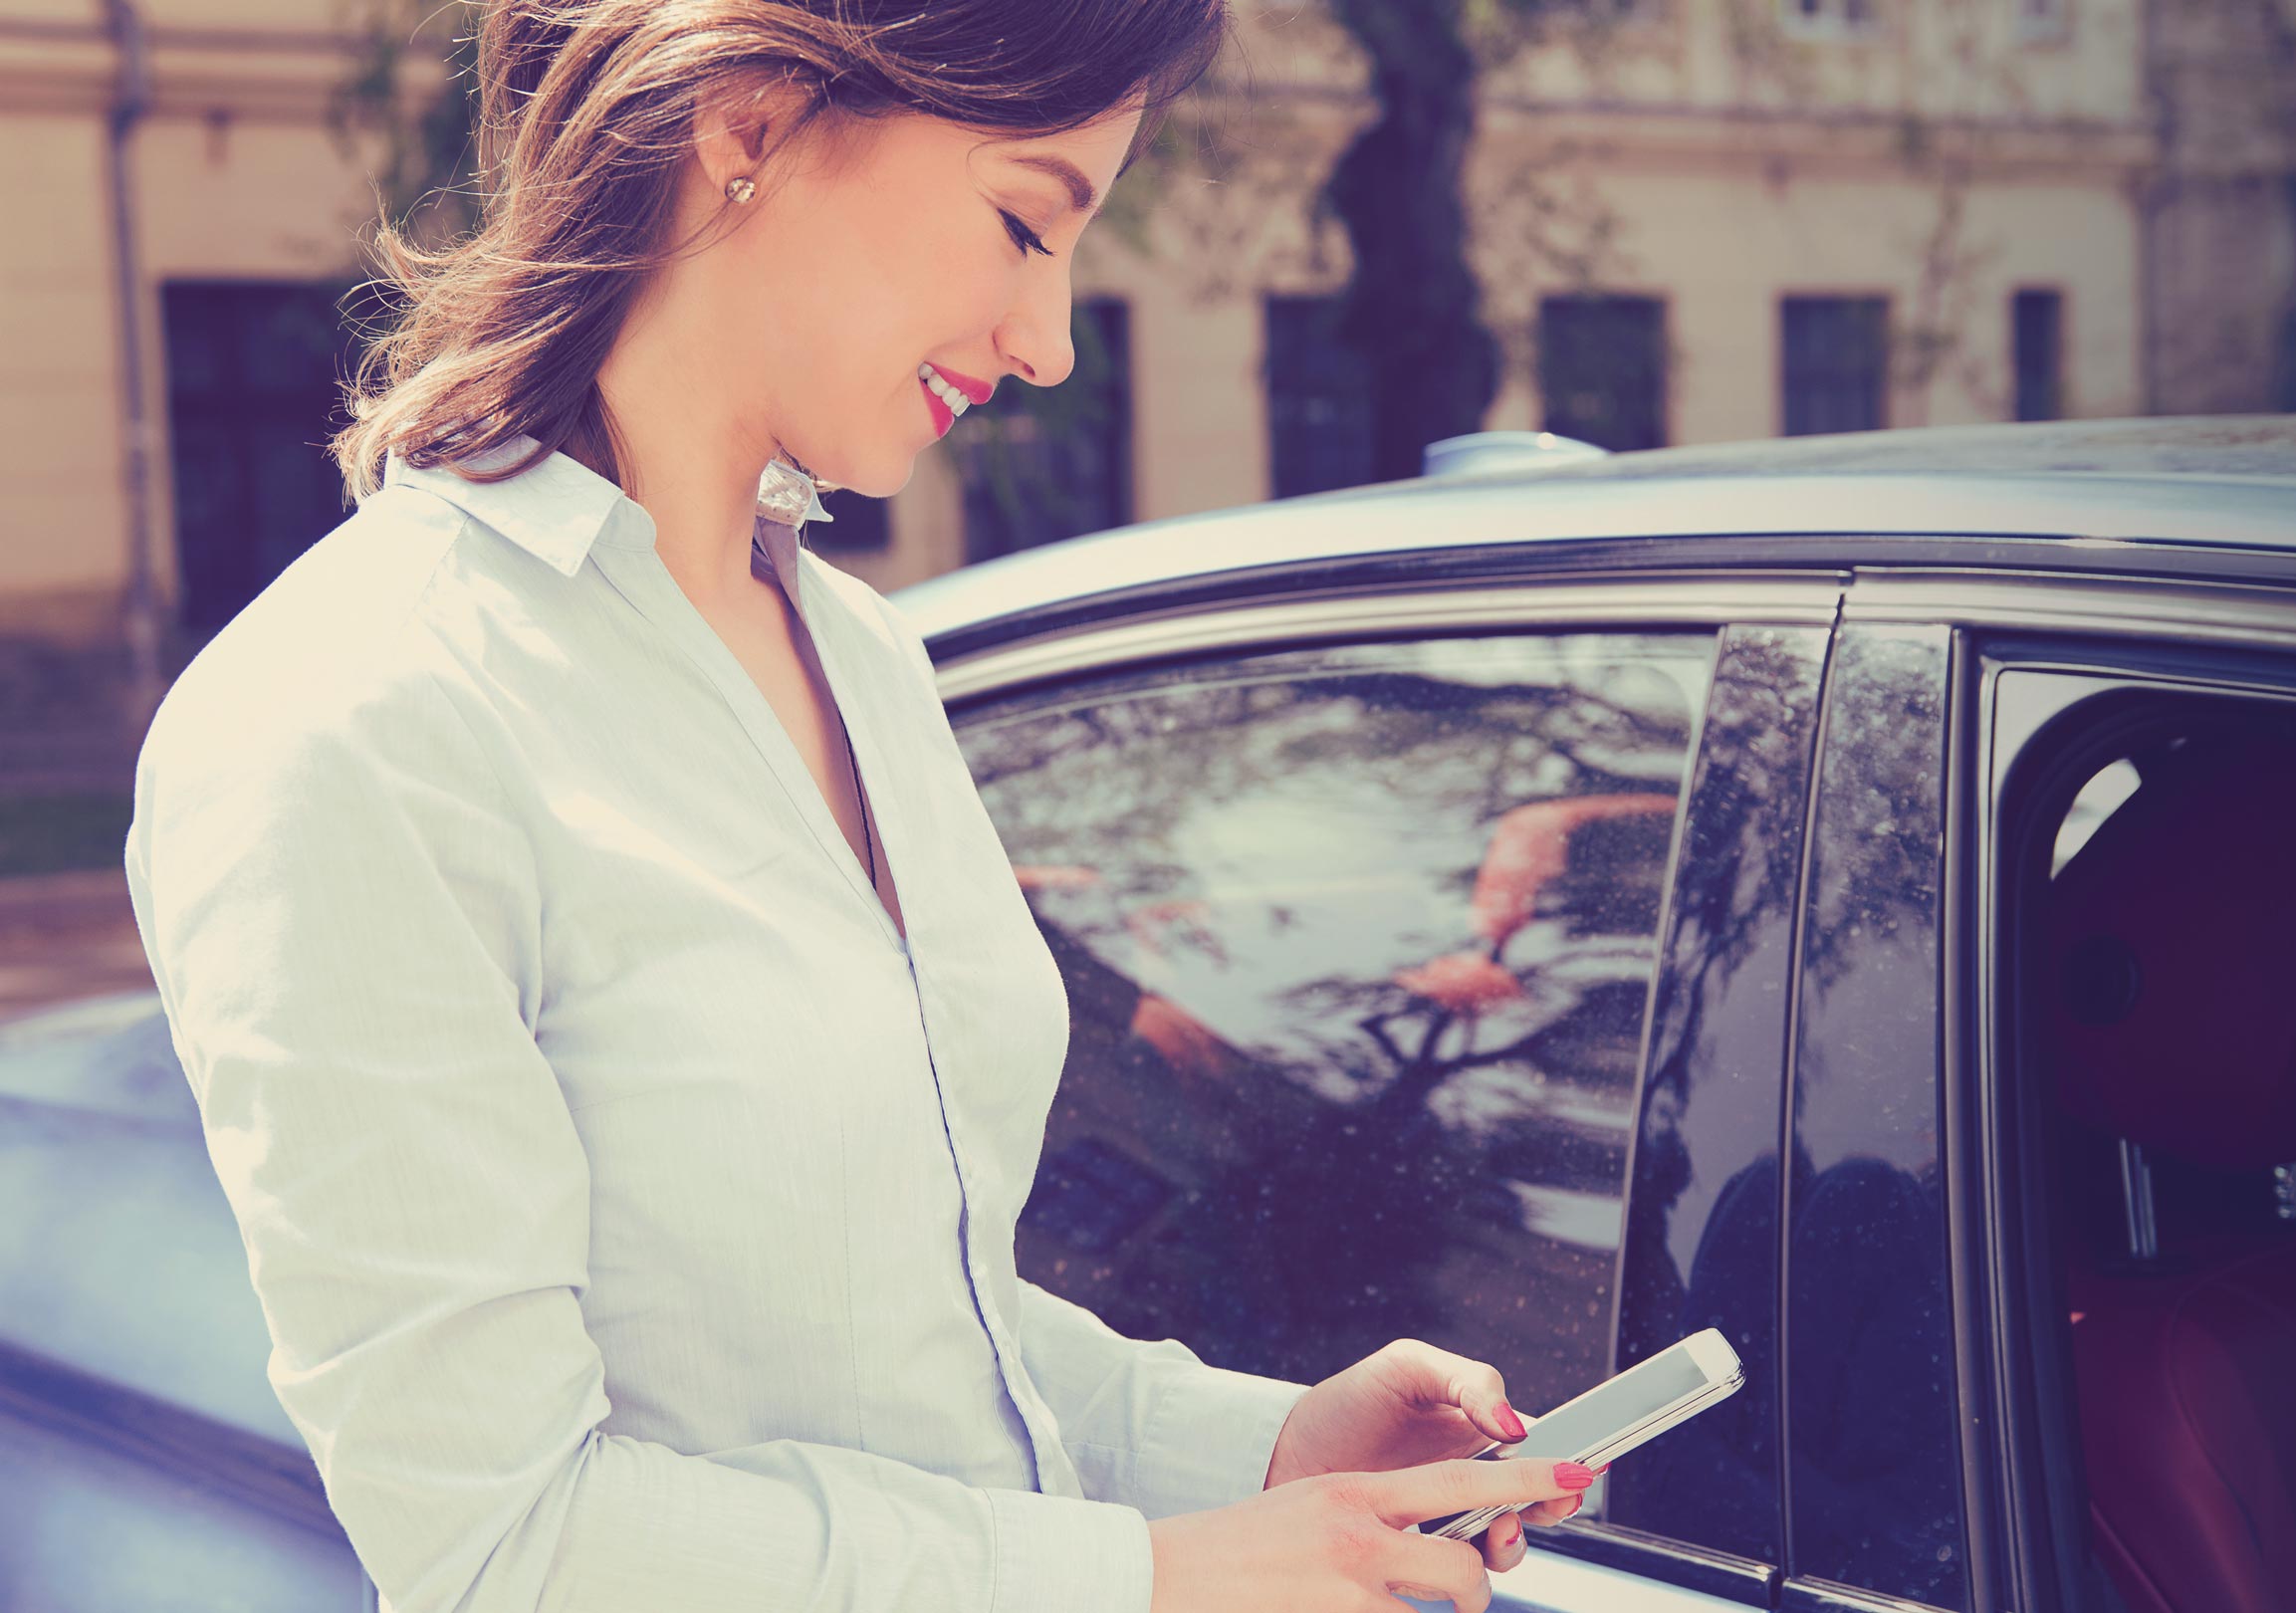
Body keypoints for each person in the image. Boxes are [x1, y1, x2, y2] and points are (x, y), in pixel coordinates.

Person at [119, 2, 1588, 1609]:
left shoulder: (865, 656)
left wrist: (1258, 1452)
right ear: (745, 126)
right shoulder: (357, 717)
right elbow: (508, 1550)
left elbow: (908, 1334)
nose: (1054, 341)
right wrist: (1153, 1582)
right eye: (1025, 223)